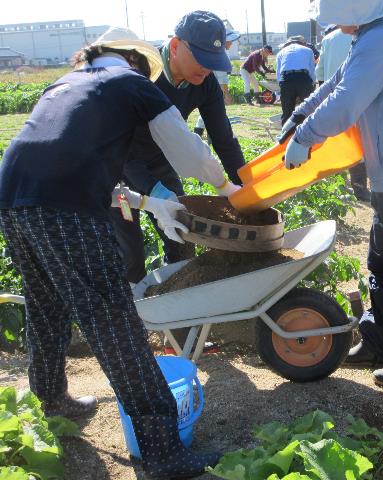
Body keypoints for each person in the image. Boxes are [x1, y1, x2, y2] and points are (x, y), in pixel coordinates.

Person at [0, 27, 234, 477]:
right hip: (63, 208)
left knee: (46, 304)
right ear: (134, 61)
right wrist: (226, 187)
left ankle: (51, 398)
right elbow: (189, 153)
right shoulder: (131, 83)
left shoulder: (65, 85)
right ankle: (163, 452)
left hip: (12, 198)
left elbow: (81, 171)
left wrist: (152, 204)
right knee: (114, 320)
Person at [279, 0, 383, 388]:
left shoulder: (381, 42)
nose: (334, 23)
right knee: (382, 264)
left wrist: (305, 137)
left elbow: (346, 104)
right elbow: (333, 86)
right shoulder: (370, 39)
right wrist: (298, 117)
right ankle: (378, 342)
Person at [108, 11, 246, 355]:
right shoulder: (141, 72)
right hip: (116, 166)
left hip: (159, 161)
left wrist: (245, 184)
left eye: (213, 61)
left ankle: (181, 333)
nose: (206, 68)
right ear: (174, 47)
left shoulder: (205, 83)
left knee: (182, 235)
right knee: (131, 254)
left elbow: (223, 138)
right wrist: (153, 194)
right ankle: (132, 337)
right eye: (201, 58)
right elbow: (120, 146)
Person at [315, 24, 370, 201]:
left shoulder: (327, 40)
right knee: (360, 140)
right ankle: (360, 188)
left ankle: (334, 187)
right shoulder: (362, 34)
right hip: (360, 93)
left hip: (334, 95)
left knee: (334, 139)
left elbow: (320, 72)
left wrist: (323, 101)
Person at [276, 37, 316, 126]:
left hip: (286, 79)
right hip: (303, 78)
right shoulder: (308, 50)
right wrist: (312, 83)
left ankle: (285, 136)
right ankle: (309, 133)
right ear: (302, 43)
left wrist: (282, 86)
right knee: (308, 108)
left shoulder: (281, 52)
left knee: (287, 110)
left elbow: (278, 74)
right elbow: (312, 70)